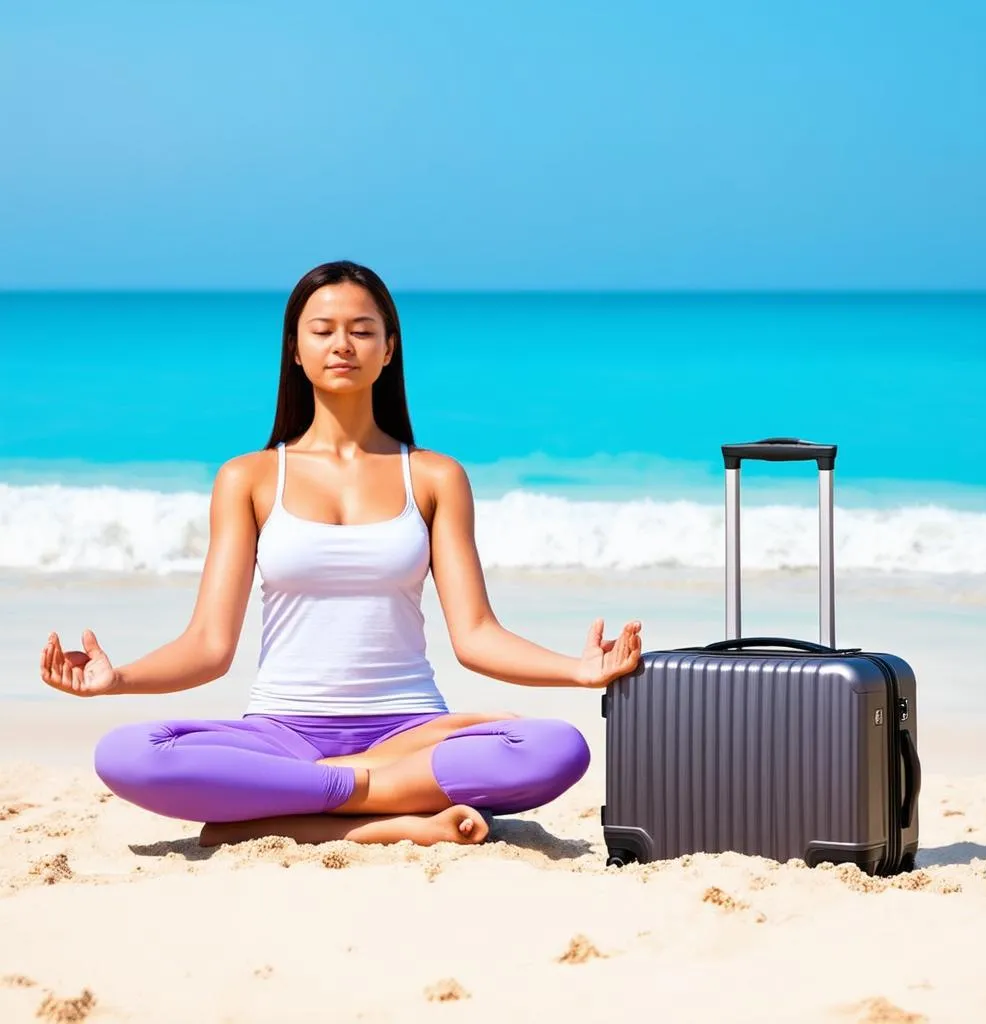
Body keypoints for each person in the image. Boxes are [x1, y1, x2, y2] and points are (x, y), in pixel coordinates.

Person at [39, 261, 642, 850]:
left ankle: (286, 813)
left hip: (410, 731)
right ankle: (388, 812)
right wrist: (117, 680)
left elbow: (477, 635)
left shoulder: (433, 476)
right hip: (282, 735)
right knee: (127, 753)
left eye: (362, 330)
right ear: (295, 350)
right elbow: (208, 647)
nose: (343, 345)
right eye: (322, 330)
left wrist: (577, 669)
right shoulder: (247, 477)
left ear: (389, 348)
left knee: (557, 747)